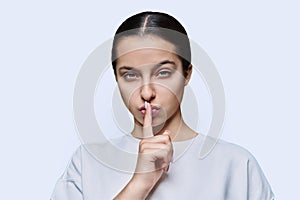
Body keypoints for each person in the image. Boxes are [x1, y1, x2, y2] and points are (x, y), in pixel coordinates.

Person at [51, 11, 275, 199]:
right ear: (116, 78)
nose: (147, 92)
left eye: (163, 73)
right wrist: (139, 184)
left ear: (187, 74)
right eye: (130, 75)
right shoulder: (86, 163)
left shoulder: (236, 165)